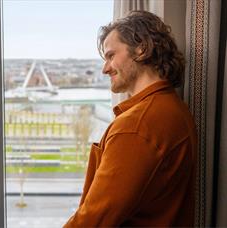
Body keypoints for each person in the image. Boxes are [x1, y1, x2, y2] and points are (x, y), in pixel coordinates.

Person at [64, 11, 197, 227]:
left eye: (110, 56)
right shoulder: (173, 109)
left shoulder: (137, 126)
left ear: (141, 49)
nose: (105, 68)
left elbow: (93, 221)